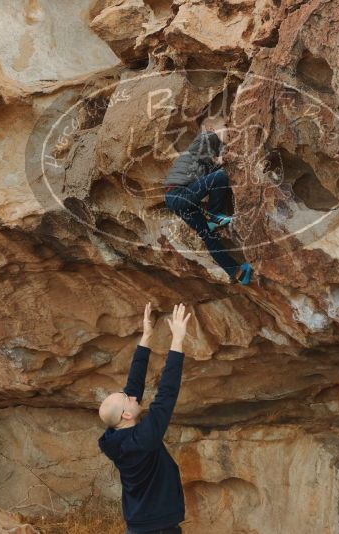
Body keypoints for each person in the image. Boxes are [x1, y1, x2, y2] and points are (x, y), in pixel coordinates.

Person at [98, 302, 192, 534]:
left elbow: (133, 386)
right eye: (127, 399)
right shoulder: (144, 439)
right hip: (158, 529)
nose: (132, 396)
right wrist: (177, 340)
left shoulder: (114, 438)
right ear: (127, 415)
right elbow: (166, 394)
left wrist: (147, 336)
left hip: (138, 525)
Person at [163, 116, 252, 285]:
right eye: (225, 126)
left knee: (208, 236)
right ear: (211, 128)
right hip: (178, 193)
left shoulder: (205, 150)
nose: (229, 130)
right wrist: (226, 154)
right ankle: (214, 216)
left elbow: (208, 164)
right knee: (221, 177)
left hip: (176, 198)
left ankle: (239, 273)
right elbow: (215, 158)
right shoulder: (206, 138)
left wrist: (218, 160)